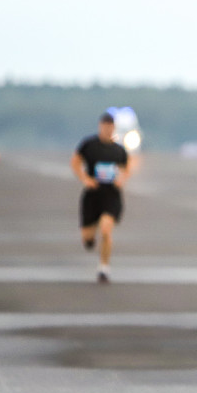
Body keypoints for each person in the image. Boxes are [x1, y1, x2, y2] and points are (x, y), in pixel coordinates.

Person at [71, 112, 132, 284]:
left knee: (106, 230)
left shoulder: (118, 150)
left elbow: (126, 167)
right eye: (105, 127)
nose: (107, 130)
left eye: (110, 127)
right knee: (88, 237)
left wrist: (122, 179)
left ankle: (104, 268)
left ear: (113, 128)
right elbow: (75, 161)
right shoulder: (89, 145)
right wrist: (85, 179)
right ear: (100, 127)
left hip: (111, 195)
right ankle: (89, 239)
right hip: (92, 194)